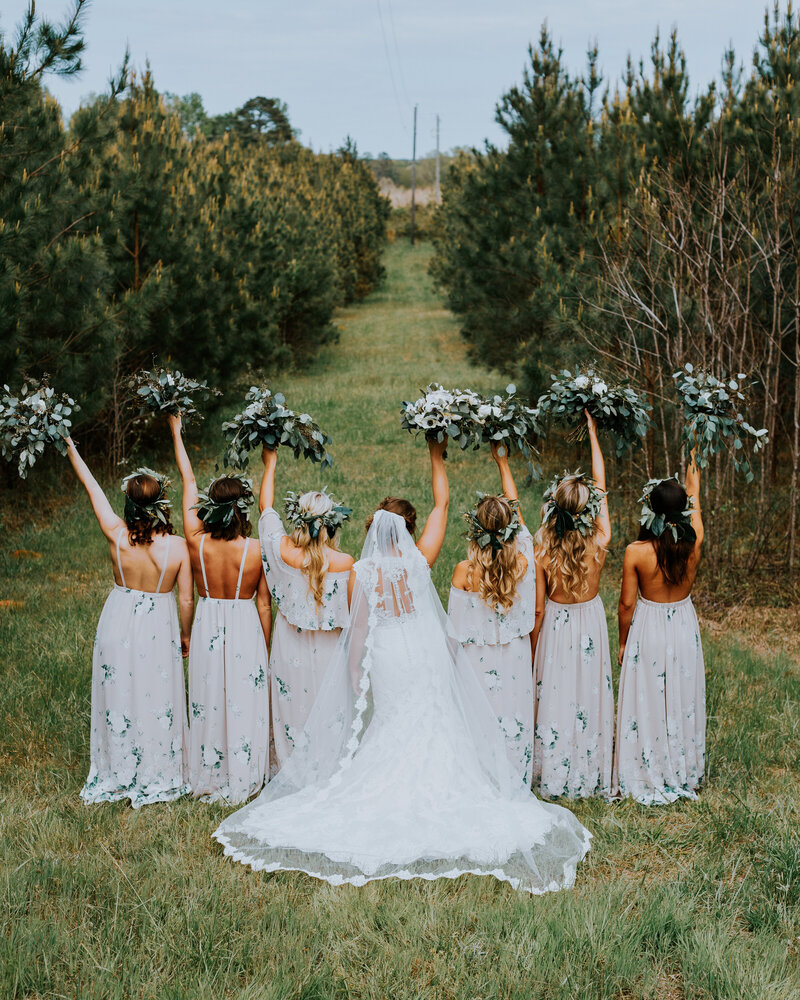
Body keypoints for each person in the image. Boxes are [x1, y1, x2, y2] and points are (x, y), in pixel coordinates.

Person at [212, 443, 590, 894]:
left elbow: (360, 629)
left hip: (389, 652)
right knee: (432, 717)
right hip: (423, 648)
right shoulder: (420, 560)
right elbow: (442, 504)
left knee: (392, 721)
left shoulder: (362, 571)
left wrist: (357, 677)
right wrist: (436, 453)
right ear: (406, 533)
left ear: (374, 530)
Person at [64, 437, 193, 807]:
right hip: (157, 627)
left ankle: (117, 767)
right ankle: (155, 767)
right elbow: (186, 598)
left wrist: (72, 448)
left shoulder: (117, 534)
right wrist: (185, 634)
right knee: (155, 694)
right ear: (161, 505)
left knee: (118, 693)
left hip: (117, 621)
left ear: (129, 504)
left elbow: (91, 486)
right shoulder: (178, 547)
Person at [169, 414, 271, 803]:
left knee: (208, 694)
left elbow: (187, 481)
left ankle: (209, 771)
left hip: (210, 620)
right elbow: (264, 604)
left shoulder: (196, 543)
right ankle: (246, 771)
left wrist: (176, 432)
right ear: (241, 509)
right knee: (244, 697)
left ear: (209, 509)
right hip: (245, 622)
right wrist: (265, 645)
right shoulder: (257, 550)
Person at [613, 451, 705, 804]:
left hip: (649, 626)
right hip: (682, 624)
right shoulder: (693, 543)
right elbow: (695, 501)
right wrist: (694, 460)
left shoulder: (636, 552)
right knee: (680, 695)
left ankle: (646, 765)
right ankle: (681, 766)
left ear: (649, 510)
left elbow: (626, 605)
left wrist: (623, 643)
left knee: (649, 696)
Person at [532, 411, 614, 800]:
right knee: (589, 691)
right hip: (590, 622)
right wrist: (594, 437)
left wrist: (533, 647)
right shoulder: (601, 540)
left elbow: (537, 610)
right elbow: (603, 486)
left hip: (559, 624)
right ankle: (590, 767)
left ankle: (554, 768)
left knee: (557, 692)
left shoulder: (543, 549)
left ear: (553, 509)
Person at [257, 445, 354, 770]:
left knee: (293, 708)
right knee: (326, 709)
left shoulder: (282, 552)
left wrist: (270, 463)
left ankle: (291, 772)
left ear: (299, 518)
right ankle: (329, 769)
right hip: (330, 653)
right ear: (331, 523)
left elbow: (266, 509)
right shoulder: (345, 563)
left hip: (289, 650)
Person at [448, 442, 535, 786]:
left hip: (475, 662)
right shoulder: (524, 562)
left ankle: (478, 781)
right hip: (513, 657)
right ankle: (513, 780)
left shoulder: (463, 573)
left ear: (476, 531)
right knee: (511, 716)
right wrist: (503, 462)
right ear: (512, 529)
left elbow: (454, 629)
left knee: (478, 720)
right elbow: (519, 515)